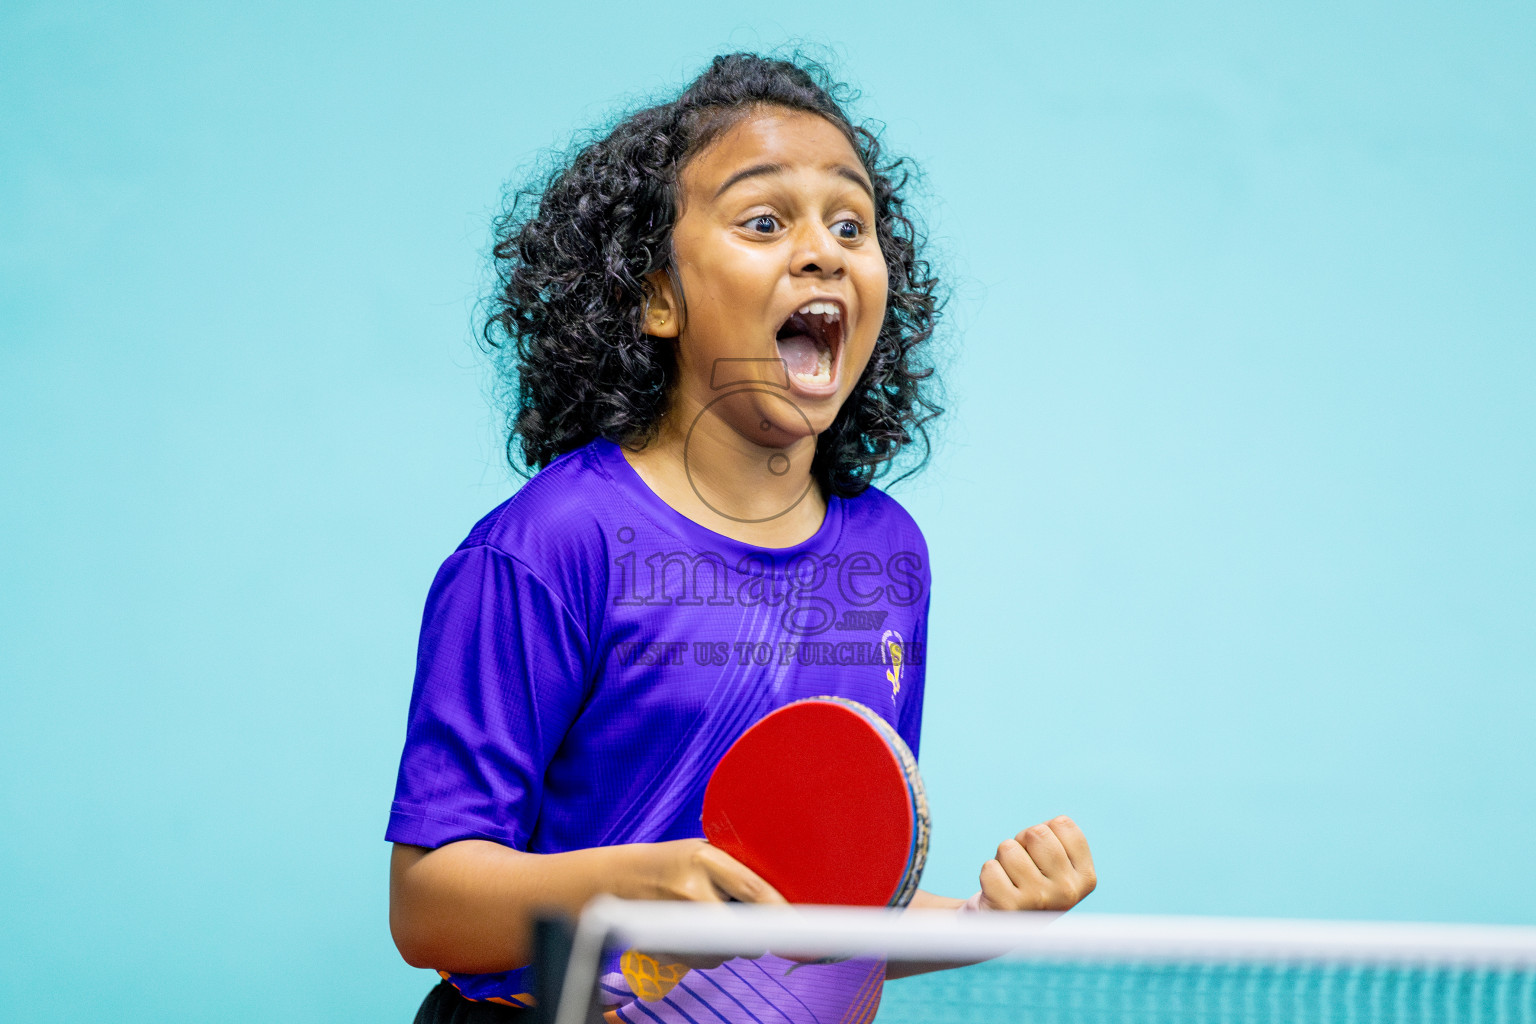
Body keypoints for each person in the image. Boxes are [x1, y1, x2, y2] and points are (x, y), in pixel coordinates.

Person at [386, 52, 1097, 1024]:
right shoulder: (548, 544)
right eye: (765, 220)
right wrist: (632, 891)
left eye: (852, 224)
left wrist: (984, 917)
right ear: (658, 297)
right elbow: (429, 907)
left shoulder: (886, 555)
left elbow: (828, 909)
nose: (823, 250)